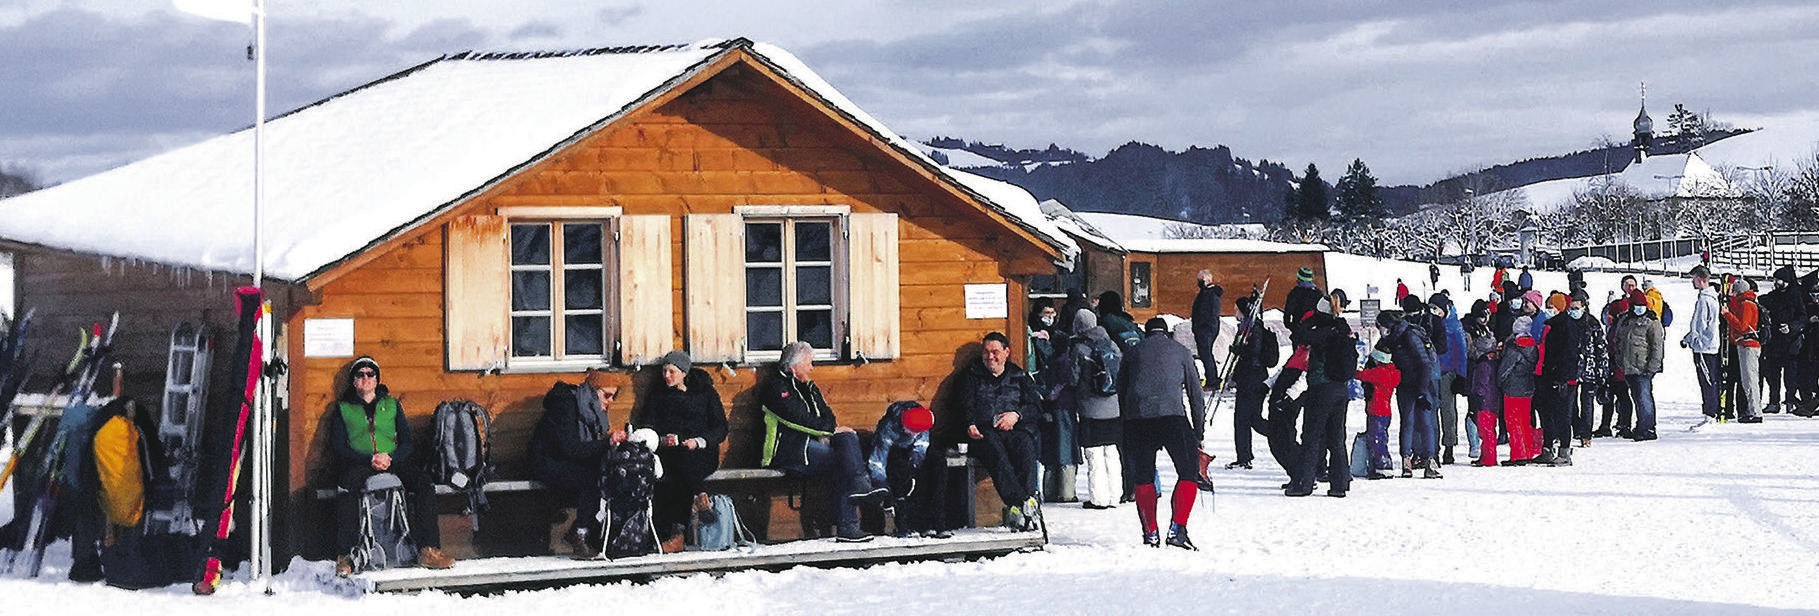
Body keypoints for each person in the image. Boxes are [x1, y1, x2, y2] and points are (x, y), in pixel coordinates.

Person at [328, 357, 453, 576]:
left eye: (370, 374)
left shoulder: (392, 405)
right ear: (354, 381)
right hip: (361, 463)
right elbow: (338, 446)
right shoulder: (343, 408)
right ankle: (345, 556)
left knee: (424, 484)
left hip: (391, 461)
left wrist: (391, 458)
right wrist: (368, 460)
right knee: (347, 488)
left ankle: (428, 549)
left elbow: (407, 442)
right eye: (360, 375)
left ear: (377, 380)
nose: (366, 378)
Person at [758, 342, 886, 542]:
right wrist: (828, 431)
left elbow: (829, 417)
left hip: (815, 445)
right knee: (845, 463)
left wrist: (830, 432)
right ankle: (850, 519)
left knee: (848, 437)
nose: (812, 368)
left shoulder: (810, 387)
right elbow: (795, 419)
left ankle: (858, 486)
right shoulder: (775, 388)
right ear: (794, 367)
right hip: (788, 449)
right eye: (809, 363)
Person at [1121, 317, 1210, 548]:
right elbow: (1195, 395)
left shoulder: (1133, 352)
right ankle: (1177, 529)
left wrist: (1127, 424)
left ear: (1145, 333)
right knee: (1188, 472)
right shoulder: (1181, 352)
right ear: (1167, 333)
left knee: (1143, 476)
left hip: (1139, 419)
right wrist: (1197, 432)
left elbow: (1122, 391)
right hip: (1173, 418)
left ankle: (1150, 532)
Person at [638, 350, 729, 550]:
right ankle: (697, 498)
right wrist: (662, 440)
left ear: (684, 372)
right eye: (664, 371)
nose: (666, 376)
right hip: (669, 453)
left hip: (701, 452)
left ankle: (676, 534)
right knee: (673, 472)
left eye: (671, 371)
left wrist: (699, 441)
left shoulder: (705, 393)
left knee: (684, 465)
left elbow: (721, 427)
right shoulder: (658, 394)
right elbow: (646, 425)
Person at [528, 377, 627, 558]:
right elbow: (571, 449)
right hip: (546, 461)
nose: (610, 402)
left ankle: (600, 534)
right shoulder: (566, 407)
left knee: (609, 473)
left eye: (614, 396)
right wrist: (607, 443)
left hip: (564, 460)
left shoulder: (587, 408)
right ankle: (580, 536)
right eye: (607, 395)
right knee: (590, 479)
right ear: (593, 392)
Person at [957, 332, 1044, 532]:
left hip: (1013, 429)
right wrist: (969, 423)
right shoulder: (971, 376)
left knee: (1026, 446)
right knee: (996, 453)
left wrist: (1017, 415)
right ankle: (1022, 501)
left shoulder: (1018, 375)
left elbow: (1036, 406)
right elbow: (963, 405)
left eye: (995, 352)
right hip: (983, 432)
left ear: (1006, 352)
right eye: (986, 352)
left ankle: (1026, 501)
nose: (990, 357)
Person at [1288, 295, 1359, 493]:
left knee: (1311, 436)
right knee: (1337, 438)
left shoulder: (1321, 332)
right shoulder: (1342, 328)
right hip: (1341, 389)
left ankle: (1304, 483)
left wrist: (1311, 319)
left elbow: (1298, 335)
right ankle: (1340, 484)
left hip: (1321, 388)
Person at [1067, 309, 1124, 509]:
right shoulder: (1111, 344)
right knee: (1112, 452)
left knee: (1094, 455)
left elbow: (1073, 379)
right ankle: (1116, 496)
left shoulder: (1080, 348)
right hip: (1114, 406)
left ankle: (1099, 499)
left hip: (1090, 408)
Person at [868, 401, 949, 538]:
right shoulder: (888, 429)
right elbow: (877, 461)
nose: (914, 435)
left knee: (937, 463)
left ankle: (936, 521)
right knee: (898, 468)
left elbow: (922, 447)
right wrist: (883, 488)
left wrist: (914, 467)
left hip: (915, 456)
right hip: (895, 455)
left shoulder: (922, 425)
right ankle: (904, 523)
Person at [1026, 300, 1078, 503]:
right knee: (1064, 446)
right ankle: (1065, 491)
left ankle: (1049, 489)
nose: (1050, 316)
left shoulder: (1044, 343)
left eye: (1052, 312)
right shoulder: (1062, 355)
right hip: (1061, 405)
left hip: (1046, 402)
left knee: (1049, 446)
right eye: (1046, 312)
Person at [1378, 309, 1438, 478]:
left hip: (1422, 385)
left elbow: (1425, 364)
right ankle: (1406, 460)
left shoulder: (1409, 335)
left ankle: (1430, 460)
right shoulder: (1391, 338)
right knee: (1408, 421)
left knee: (1425, 423)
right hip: (1405, 385)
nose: (1380, 330)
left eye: (1381, 326)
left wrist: (1421, 391)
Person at [1225, 295, 1279, 471]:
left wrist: (1239, 349)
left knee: (1249, 419)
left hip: (1253, 379)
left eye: (1236, 309)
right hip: (1250, 378)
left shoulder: (1253, 328)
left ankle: (1281, 435)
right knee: (1246, 419)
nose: (1234, 312)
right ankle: (1244, 456)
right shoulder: (1248, 327)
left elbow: (1253, 353)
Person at [1613, 289, 1664, 441]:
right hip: (1628, 366)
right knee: (1637, 397)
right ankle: (1641, 425)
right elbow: (1619, 340)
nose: (1639, 307)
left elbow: (1657, 346)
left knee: (1644, 397)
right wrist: (1619, 360)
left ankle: (1647, 428)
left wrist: (1652, 367)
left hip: (1644, 367)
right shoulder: (1626, 320)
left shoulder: (1651, 322)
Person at [1760, 266, 1807, 414]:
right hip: (1774, 342)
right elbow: (1763, 299)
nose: (1776, 283)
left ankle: (1790, 400)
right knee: (1773, 375)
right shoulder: (1774, 296)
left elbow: (1803, 317)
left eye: (1779, 280)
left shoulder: (1797, 296)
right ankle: (1774, 401)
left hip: (1791, 342)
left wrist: (1791, 327)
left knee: (1790, 375)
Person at [1498, 317, 1542, 465]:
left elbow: (1504, 369)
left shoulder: (1514, 347)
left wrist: (1500, 383)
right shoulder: (1533, 346)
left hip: (1512, 389)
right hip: (1528, 388)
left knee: (1513, 422)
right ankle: (1529, 451)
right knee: (1526, 421)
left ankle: (1517, 454)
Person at [1464, 301, 1503, 466]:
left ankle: (1488, 457)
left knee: (1486, 429)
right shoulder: (1489, 361)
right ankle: (1485, 455)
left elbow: (1482, 383)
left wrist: (1478, 394)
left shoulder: (1485, 364)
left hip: (1485, 399)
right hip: (1490, 398)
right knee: (1486, 428)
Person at [1431, 293, 1468, 465]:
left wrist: (1461, 375)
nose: (1434, 312)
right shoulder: (1430, 323)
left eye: (1436, 308)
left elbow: (1461, 351)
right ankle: (1433, 448)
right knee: (1432, 412)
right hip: (1432, 372)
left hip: (1448, 372)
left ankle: (1449, 445)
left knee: (1448, 411)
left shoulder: (1454, 325)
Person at [1722, 277, 1766, 423]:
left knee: (1750, 380)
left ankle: (1755, 412)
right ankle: (1753, 410)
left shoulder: (1746, 304)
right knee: (1748, 380)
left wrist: (1727, 314)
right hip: (1747, 345)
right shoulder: (1747, 303)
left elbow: (1742, 326)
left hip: (1748, 345)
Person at [1684, 266, 1723, 425]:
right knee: (1711, 379)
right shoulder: (1711, 297)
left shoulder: (1705, 299)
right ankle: (1712, 411)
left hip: (1704, 346)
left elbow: (1700, 325)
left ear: (1700, 279)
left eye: (1693, 278)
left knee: (1707, 380)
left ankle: (1710, 413)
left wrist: (1691, 339)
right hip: (1709, 344)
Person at [1354, 350, 1400, 478]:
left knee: (1376, 439)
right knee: (1381, 437)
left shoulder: (1379, 373)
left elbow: (1362, 375)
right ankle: (1380, 464)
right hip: (1386, 411)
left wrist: (1354, 370)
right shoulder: (1392, 372)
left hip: (1376, 410)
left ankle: (1383, 466)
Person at [1191, 269, 1225, 390]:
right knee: (1205, 354)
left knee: (1206, 354)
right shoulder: (1206, 292)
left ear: (1208, 279)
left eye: (1201, 279)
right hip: (1204, 328)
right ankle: (1211, 378)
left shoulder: (1210, 294)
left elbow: (1207, 313)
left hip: (1206, 328)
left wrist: (1201, 326)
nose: (1199, 281)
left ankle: (1212, 380)